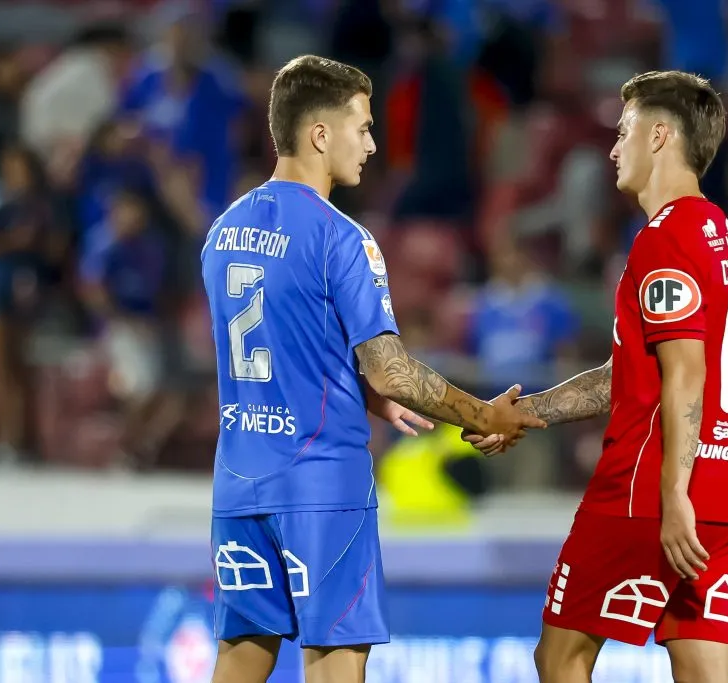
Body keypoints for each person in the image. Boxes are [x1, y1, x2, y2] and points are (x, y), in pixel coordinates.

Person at [200, 55, 544, 683]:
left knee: (240, 658)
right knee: (334, 662)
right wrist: (482, 414)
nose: (373, 144)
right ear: (319, 134)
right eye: (362, 127)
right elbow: (391, 371)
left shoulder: (223, 232)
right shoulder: (343, 238)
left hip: (239, 484)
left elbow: (280, 343)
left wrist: (353, 389)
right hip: (322, 488)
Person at [467, 71, 728, 683]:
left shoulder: (665, 238)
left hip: (648, 491)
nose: (614, 149)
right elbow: (629, 375)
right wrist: (532, 410)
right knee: (706, 672)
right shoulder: (716, 232)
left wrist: (673, 496)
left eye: (624, 132)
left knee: (561, 656)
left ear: (661, 136)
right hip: (725, 494)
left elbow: (685, 375)